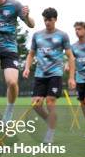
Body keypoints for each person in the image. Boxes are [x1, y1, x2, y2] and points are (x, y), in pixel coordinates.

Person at [23, 8, 75, 144]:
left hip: (55, 74)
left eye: (50, 20)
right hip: (40, 74)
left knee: (50, 101)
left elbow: (70, 56)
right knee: (36, 104)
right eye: (45, 20)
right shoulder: (37, 35)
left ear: (55, 19)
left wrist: (71, 77)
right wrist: (27, 68)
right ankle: (50, 121)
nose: (47, 23)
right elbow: (31, 54)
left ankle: (50, 133)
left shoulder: (63, 36)